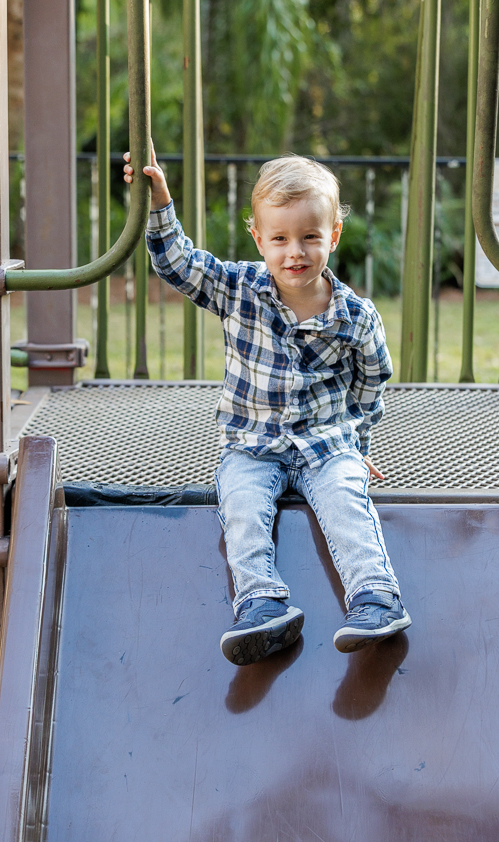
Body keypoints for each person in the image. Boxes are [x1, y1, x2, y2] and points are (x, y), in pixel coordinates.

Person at [123, 145, 411, 666]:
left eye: (309, 237)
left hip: (326, 442)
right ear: (258, 238)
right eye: (278, 239)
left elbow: (372, 383)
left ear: (333, 237)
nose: (293, 252)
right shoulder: (240, 288)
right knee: (240, 506)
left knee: (348, 500)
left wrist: (359, 446)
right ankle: (260, 603)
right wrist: (160, 199)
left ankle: (375, 598)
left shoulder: (356, 317)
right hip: (252, 445)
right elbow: (178, 264)